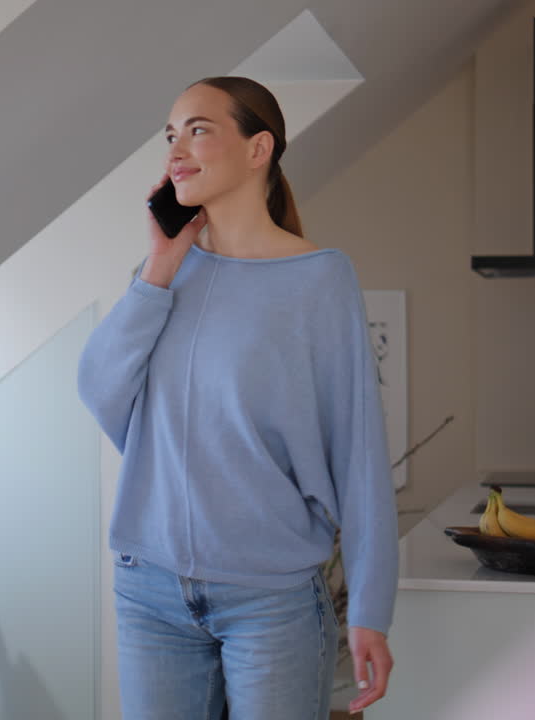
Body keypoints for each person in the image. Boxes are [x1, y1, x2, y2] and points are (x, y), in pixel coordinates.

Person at [77, 76, 398, 720]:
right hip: (149, 589)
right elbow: (100, 390)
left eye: (198, 130)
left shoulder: (319, 278)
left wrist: (369, 607)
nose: (176, 151)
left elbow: (358, 449)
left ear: (259, 150)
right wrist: (159, 266)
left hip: (270, 599)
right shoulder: (160, 277)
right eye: (170, 136)